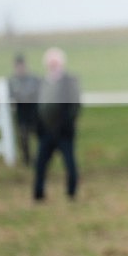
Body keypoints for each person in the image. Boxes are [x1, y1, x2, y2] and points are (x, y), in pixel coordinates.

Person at [34, 47, 81, 201]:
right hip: (46, 131)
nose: (53, 65)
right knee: (40, 164)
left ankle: (71, 192)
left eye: (56, 62)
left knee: (69, 163)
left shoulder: (69, 81)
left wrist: (66, 124)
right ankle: (38, 193)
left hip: (64, 131)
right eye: (50, 62)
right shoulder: (42, 82)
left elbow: (74, 105)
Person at [8, 53, 41, 166]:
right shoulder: (12, 81)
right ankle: (27, 159)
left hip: (34, 113)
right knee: (23, 137)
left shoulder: (34, 79)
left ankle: (40, 158)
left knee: (39, 136)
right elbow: (11, 95)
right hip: (21, 114)